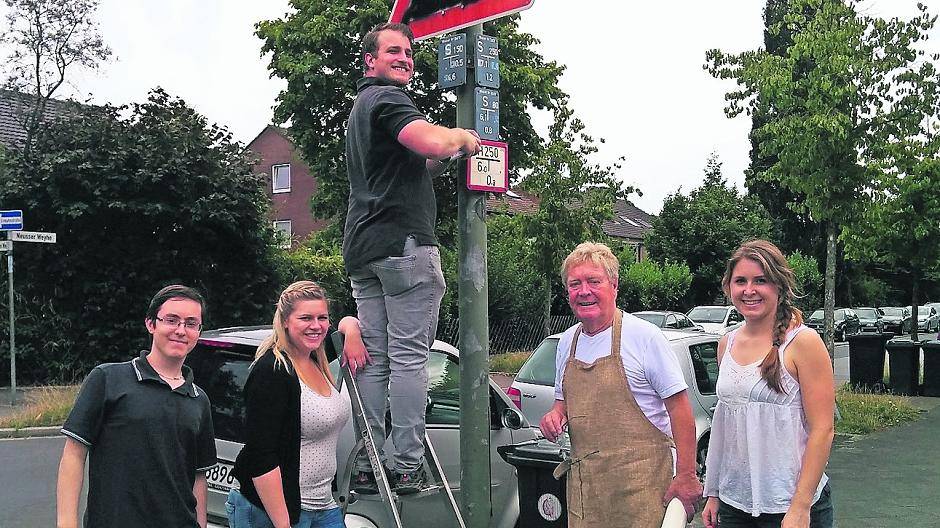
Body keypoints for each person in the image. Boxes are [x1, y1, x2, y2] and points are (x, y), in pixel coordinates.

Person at [342, 22, 481, 494]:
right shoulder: (388, 98)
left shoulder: (362, 108)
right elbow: (432, 142)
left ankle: (368, 463)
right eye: (394, 51)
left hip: (364, 250)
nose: (404, 58)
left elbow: (418, 161)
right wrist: (462, 138)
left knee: (376, 362)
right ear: (371, 61)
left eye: (409, 52)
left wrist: (446, 155)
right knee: (408, 360)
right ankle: (405, 465)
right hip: (404, 247)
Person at [539, 242, 703, 527]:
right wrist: (554, 417)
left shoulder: (644, 338)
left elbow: (681, 411)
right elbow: (561, 405)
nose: (584, 291)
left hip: (643, 491)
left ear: (614, 286)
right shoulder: (566, 343)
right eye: (575, 284)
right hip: (587, 494)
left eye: (594, 281)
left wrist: (686, 476)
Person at [56, 285, 217, 528]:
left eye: (191, 323)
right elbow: (74, 454)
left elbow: (198, 477)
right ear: (151, 324)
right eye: (171, 320)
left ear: (198, 332)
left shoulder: (198, 399)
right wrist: (67, 522)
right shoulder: (108, 379)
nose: (180, 330)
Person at [702, 240, 835, 528]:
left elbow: (823, 430)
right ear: (728, 287)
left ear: (779, 285)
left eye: (760, 280)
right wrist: (713, 493)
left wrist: (801, 506)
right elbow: (724, 426)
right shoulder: (726, 344)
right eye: (740, 281)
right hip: (735, 504)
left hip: (789, 504)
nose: (749, 290)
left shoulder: (803, 343)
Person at [227, 281, 366, 528]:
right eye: (305, 318)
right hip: (274, 509)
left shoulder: (315, 357)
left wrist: (352, 333)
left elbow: (348, 323)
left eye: (322, 318)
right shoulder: (272, 371)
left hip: (323, 504)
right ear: (285, 321)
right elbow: (261, 456)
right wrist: (283, 523)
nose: (316, 326)